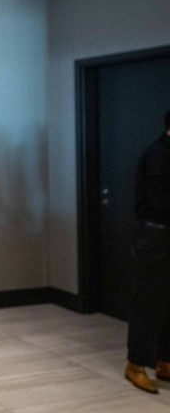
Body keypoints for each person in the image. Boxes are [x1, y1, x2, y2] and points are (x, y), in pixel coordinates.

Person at [125, 110, 170, 394]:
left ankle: (165, 361)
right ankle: (136, 364)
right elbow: (157, 203)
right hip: (157, 236)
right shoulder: (157, 155)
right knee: (148, 301)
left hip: (163, 233)